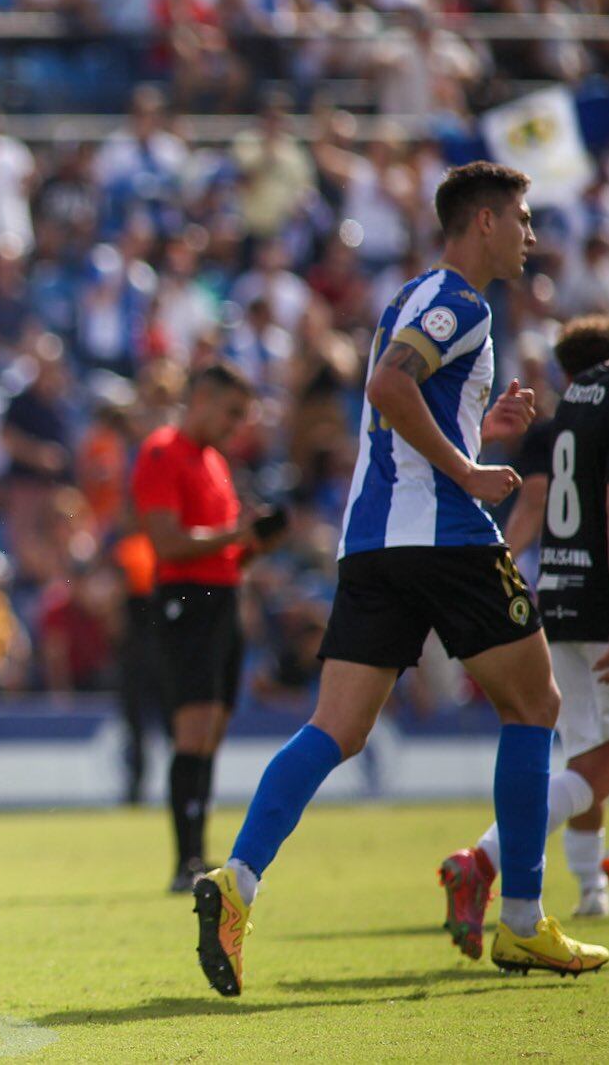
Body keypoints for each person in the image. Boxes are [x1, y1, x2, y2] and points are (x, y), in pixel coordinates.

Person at [193, 161, 609, 997]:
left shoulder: (418, 299)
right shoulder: (460, 301)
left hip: (373, 545)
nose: (531, 234)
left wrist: (474, 429)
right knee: (534, 707)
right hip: (447, 539)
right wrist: (466, 463)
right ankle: (522, 922)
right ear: (482, 222)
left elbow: (400, 399)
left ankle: (237, 879)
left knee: (335, 728)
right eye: (521, 218)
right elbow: (387, 386)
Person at [442, 315, 609, 931]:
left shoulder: (559, 420)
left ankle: (590, 885)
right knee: (597, 762)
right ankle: (483, 859)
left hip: (560, 593)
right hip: (600, 598)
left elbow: (537, 500)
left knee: (586, 750)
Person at [132, 362, 267, 891]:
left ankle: (196, 853)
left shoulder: (215, 461)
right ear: (203, 398)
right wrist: (236, 534)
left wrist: (252, 544)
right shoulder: (163, 452)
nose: (236, 426)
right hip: (185, 600)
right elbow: (167, 543)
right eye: (231, 413)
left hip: (222, 598)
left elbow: (223, 552)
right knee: (193, 727)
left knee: (211, 728)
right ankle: (183, 862)